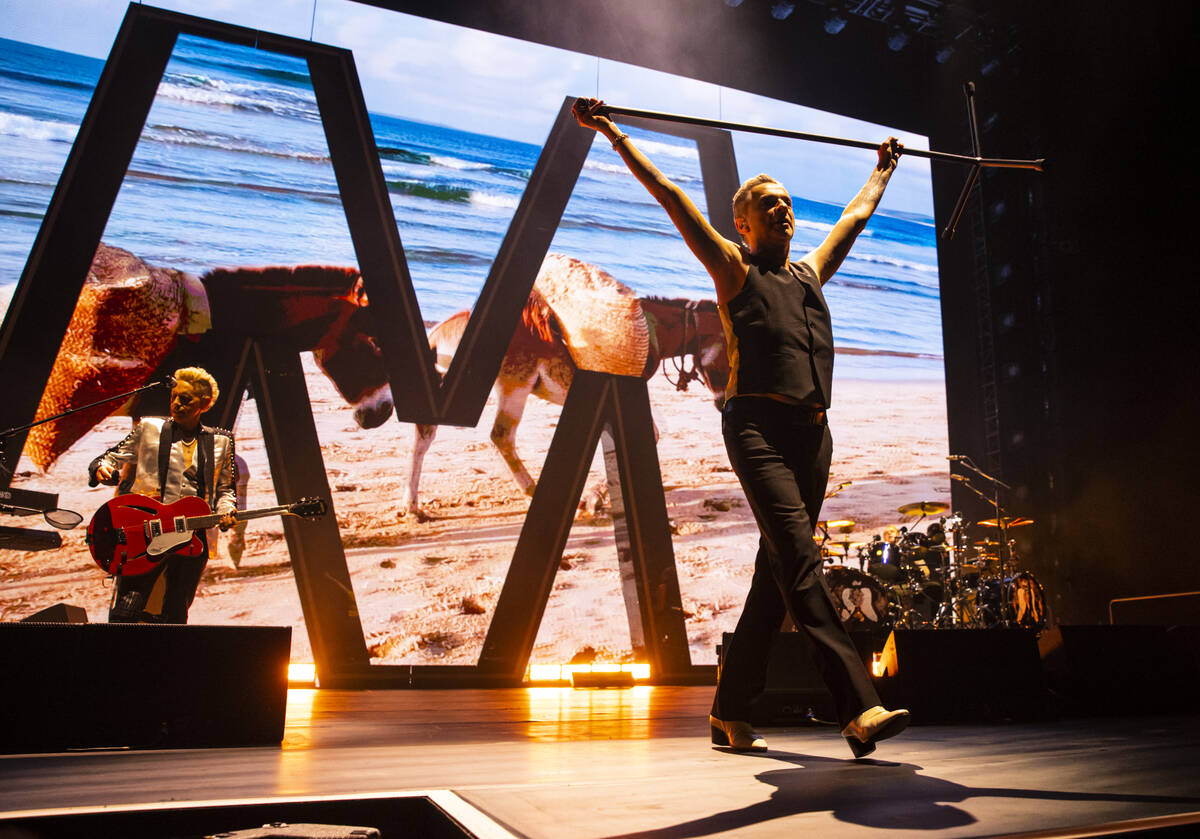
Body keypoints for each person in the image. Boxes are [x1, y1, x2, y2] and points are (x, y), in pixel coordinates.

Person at [574, 98, 909, 758]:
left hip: (814, 436)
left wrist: (884, 168)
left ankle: (728, 711)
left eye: (786, 200)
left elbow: (856, 216)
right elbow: (671, 195)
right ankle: (858, 707)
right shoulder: (734, 268)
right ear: (743, 222)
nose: (782, 208)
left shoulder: (810, 272)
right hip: (755, 428)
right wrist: (612, 132)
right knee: (801, 559)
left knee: (774, 577)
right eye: (768, 203)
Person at [88, 367, 238, 624]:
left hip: (192, 533)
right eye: (174, 397)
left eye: (185, 399)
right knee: (126, 610)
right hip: (147, 528)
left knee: (176, 613)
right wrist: (103, 468)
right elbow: (109, 458)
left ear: (203, 404)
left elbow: (226, 490)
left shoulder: (221, 442)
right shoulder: (149, 429)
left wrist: (226, 510)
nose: (177, 403)